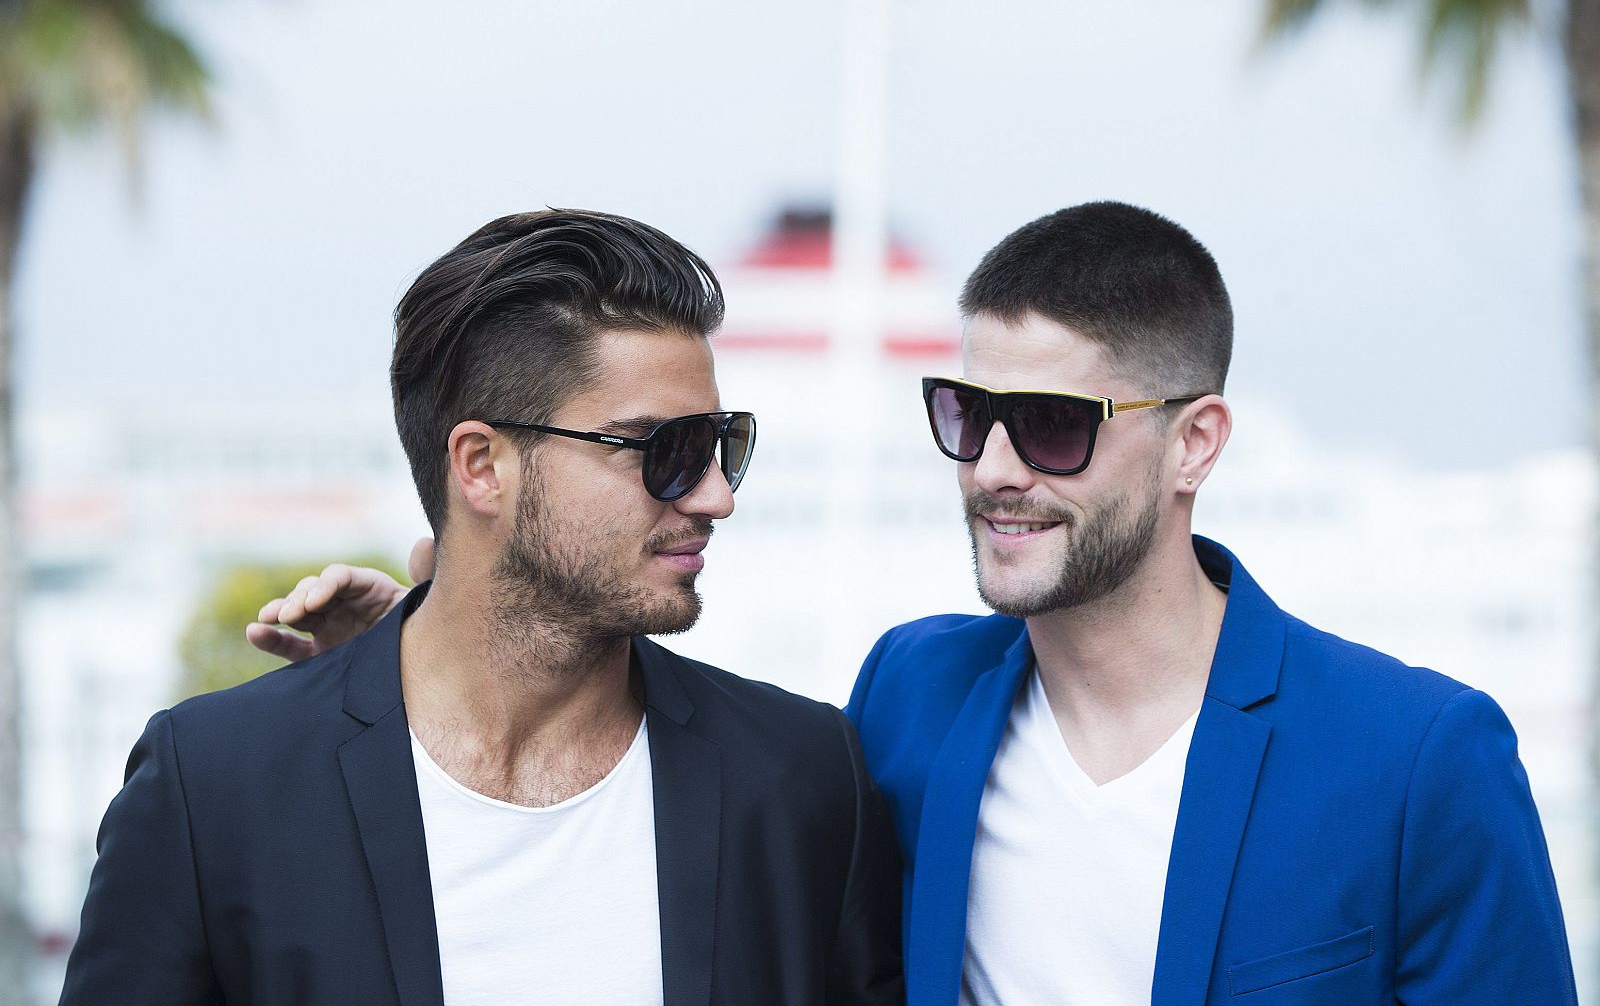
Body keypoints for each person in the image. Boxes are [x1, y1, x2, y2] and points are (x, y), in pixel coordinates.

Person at [255, 202, 1578, 1005]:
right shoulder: (910, 700)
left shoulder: (1417, 757)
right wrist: (426, 649)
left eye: (1051, 425)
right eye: (967, 414)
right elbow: (677, 772)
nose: (993, 469)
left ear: (1196, 443)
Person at [60, 210, 903, 1006]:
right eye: (665, 450)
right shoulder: (213, 786)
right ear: (482, 466)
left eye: (720, 446)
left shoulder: (800, 778)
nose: (715, 496)